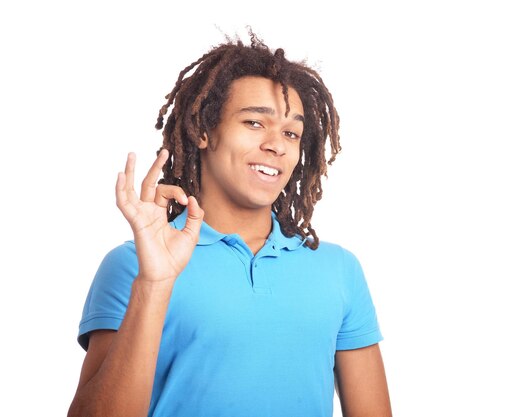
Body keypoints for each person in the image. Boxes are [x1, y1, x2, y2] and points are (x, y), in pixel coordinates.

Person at [68, 31, 392, 417]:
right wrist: (153, 284)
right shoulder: (133, 265)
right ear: (204, 130)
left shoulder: (339, 270)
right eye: (255, 123)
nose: (277, 144)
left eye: (291, 132)